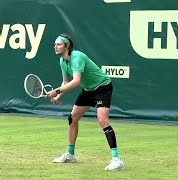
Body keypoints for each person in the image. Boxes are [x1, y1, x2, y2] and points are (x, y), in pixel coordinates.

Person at [46, 34, 125, 171]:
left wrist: (56, 92)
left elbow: (76, 81)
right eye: (55, 44)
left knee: (102, 120)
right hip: (88, 90)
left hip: (102, 87)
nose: (55, 46)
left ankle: (117, 159)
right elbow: (66, 82)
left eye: (58, 44)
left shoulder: (77, 57)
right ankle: (70, 154)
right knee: (73, 117)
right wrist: (59, 96)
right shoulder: (63, 61)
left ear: (67, 46)